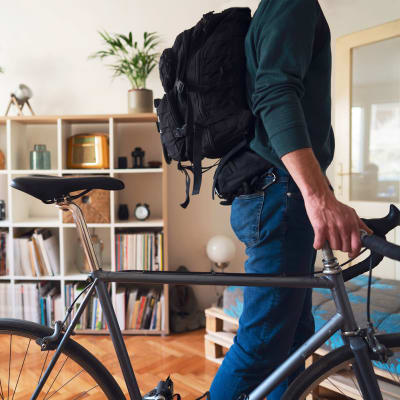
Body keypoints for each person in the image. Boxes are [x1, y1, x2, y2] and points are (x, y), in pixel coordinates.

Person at [209, 0, 372, 399]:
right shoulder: (292, 3)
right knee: (264, 345)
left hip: (276, 193)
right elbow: (275, 93)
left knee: (292, 343)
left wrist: (324, 197)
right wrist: (317, 195)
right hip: (279, 194)